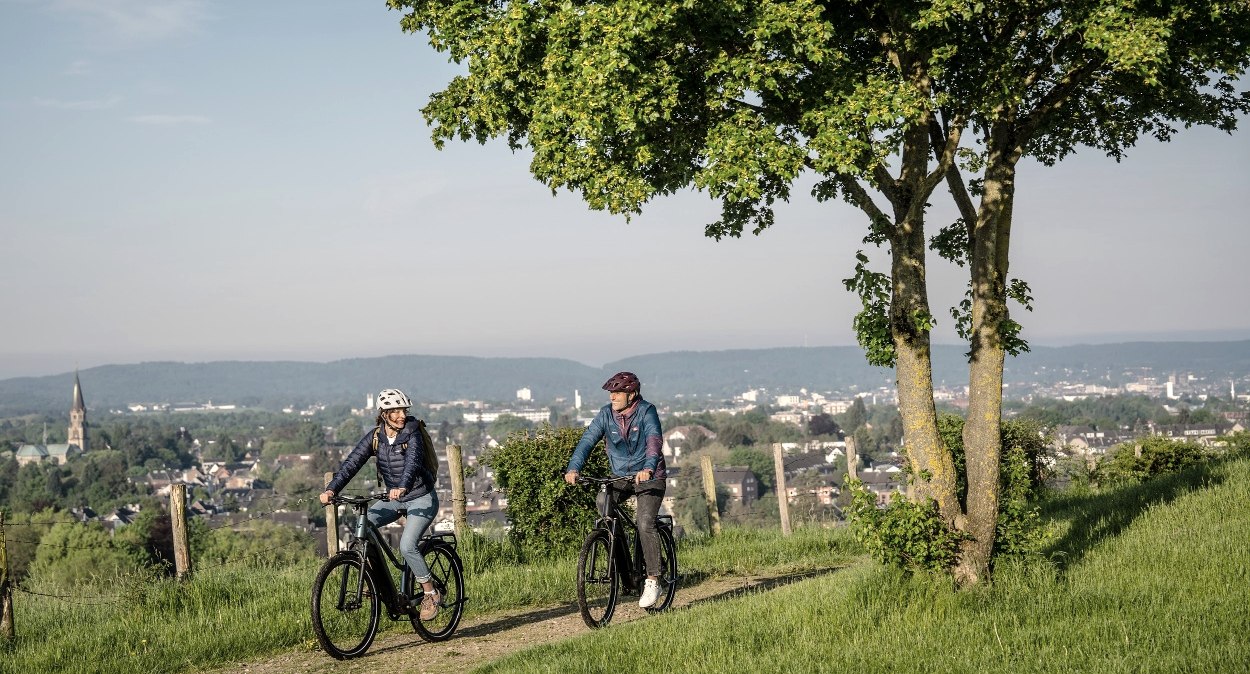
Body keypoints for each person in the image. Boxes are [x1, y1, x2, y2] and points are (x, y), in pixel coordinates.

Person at [320, 388, 441, 620]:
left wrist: (403, 485)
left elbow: (413, 462)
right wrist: (331, 489)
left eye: (403, 410)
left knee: (407, 546)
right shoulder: (376, 437)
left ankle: (430, 592)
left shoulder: (412, 432)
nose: (401, 415)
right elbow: (352, 462)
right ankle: (372, 577)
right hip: (394, 499)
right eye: (395, 411)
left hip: (421, 497)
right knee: (364, 527)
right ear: (383, 414)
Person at [564, 371, 667, 608]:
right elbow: (587, 441)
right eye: (611, 393)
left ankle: (653, 580)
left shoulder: (646, 411)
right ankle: (624, 563)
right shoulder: (605, 415)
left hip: (649, 476)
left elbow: (654, 440)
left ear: (632, 394)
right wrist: (574, 468)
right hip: (620, 476)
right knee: (603, 502)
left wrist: (649, 468)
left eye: (618, 392)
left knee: (644, 522)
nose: (613, 397)